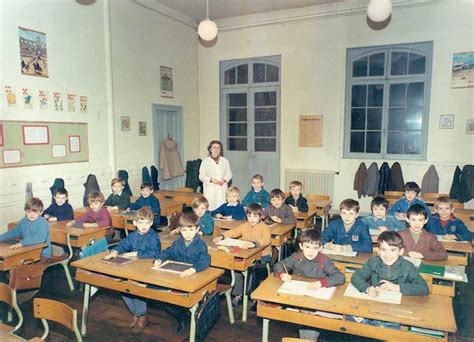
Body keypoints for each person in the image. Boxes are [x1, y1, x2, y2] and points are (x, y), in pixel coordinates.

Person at [274, 229, 345, 341]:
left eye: (315, 248)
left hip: (318, 298)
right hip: (300, 295)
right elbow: (279, 265)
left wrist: (321, 283)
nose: (311, 252)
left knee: (309, 319)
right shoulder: (296, 257)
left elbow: (340, 277)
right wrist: (282, 274)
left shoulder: (324, 260)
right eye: (307, 247)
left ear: (320, 248)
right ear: (301, 246)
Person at [103, 207, 161, 333]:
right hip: (133, 267)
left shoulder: (153, 236)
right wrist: (115, 251)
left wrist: (135, 254)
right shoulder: (133, 235)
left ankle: (142, 315)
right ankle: (136, 313)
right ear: (135, 223)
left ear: (151, 223)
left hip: (147, 268)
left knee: (136, 288)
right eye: (140, 222)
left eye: (147, 223)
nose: (143, 226)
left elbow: (154, 252)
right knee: (123, 287)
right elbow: (123, 244)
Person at [154, 213, 210, 334]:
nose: (188, 233)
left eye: (191, 230)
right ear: (179, 230)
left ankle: (187, 315)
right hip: (178, 277)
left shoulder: (200, 245)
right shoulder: (177, 243)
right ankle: (183, 317)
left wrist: (193, 269)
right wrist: (159, 259)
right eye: (184, 230)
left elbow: (205, 260)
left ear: (197, 229)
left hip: (194, 277)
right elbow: (167, 252)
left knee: (185, 299)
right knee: (162, 297)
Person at [214, 203, 272, 302]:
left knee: (252, 271)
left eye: (255, 216)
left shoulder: (264, 227)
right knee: (237, 269)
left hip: (262, 255)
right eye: (249, 216)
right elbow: (235, 232)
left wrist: (254, 244)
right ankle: (238, 294)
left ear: (261, 217)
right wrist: (222, 236)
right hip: (245, 253)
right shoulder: (245, 225)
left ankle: (253, 293)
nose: (252, 219)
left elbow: (266, 240)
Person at [351, 231, 429, 296]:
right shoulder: (373, 262)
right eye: (383, 250)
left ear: (401, 252)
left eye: (393, 250)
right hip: (376, 301)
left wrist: (397, 288)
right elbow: (356, 276)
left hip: (400, 305)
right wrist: (367, 288)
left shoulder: (408, 266)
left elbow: (424, 288)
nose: (387, 255)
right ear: (378, 251)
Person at [199, 140, 232, 210]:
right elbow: (201, 176)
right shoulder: (205, 162)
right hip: (210, 189)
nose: (216, 150)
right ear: (210, 149)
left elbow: (229, 174)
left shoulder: (225, 161)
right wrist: (211, 180)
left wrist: (224, 179)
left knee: (222, 209)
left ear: (221, 149)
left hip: (222, 188)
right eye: (214, 147)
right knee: (211, 207)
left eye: (218, 148)